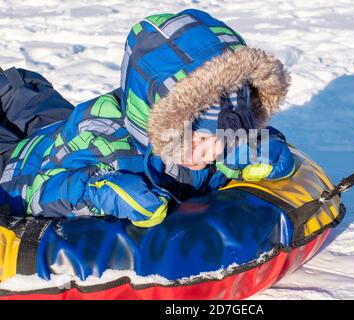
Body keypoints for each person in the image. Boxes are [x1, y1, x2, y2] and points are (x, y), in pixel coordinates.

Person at [0, 9, 295, 227]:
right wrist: (95, 192)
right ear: (164, 122)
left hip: (54, 126)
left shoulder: (215, 142)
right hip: (18, 167)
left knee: (33, 104)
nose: (212, 153)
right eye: (202, 140)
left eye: (222, 140)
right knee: (18, 91)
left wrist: (259, 150)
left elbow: (263, 143)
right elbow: (34, 190)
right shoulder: (101, 147)